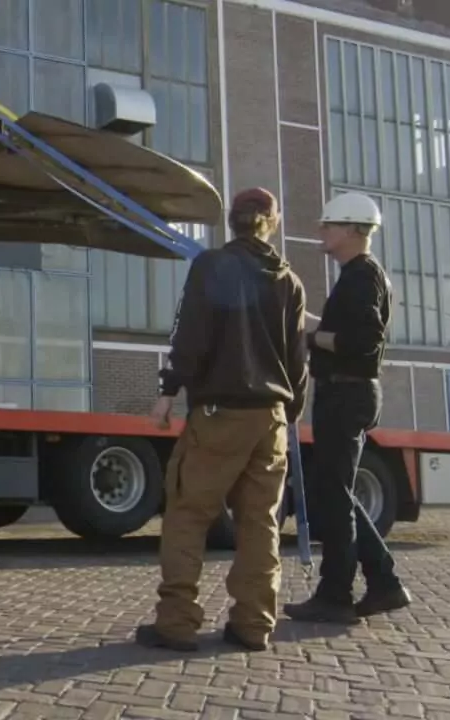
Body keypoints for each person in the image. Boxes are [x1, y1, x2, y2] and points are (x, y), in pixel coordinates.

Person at [136, 187, 309, 653]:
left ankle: (177, 622)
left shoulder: (211, 267)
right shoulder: (289, 281)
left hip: (219, 413)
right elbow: (298, 361)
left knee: (188, 515)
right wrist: (290, 413)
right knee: (260, 523)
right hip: (270, 417)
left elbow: (190, 333)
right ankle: (254, 624)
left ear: (230, 221)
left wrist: (168, 391)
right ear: (271, 222)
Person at [283, 192, 411, 624]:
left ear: (353, 230)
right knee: (335, 491)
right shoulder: (361, 275)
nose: (322, 231)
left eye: (329, 225)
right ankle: (384, 583)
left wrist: (310, 338)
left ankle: (336, 594)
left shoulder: (360, 277)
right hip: (349, 393)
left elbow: (362, 341)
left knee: (332, 495)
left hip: (345, 393)